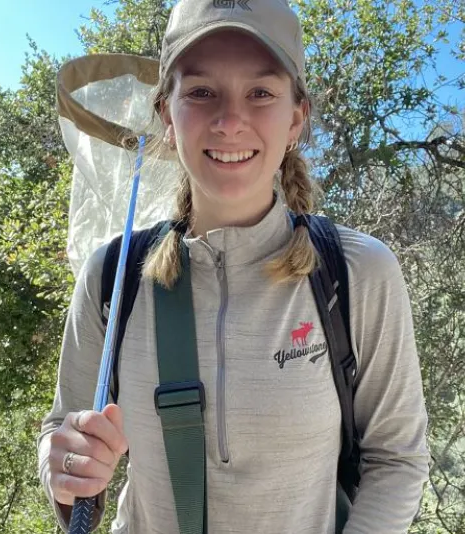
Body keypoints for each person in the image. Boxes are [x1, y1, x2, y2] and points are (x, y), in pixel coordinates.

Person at [38, 0, 430, 532]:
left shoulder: (358, 274)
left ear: (296, 118)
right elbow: (63, 430)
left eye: (261, 93)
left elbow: (397, 460)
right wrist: (66, 472)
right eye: (200, 92)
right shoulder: (112, 275)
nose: (228, 121)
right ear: (166, 116)